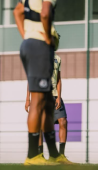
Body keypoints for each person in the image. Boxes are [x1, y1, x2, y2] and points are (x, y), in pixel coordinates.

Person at [13, 0, 67, 165]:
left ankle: (54, 155)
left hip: (29, 44)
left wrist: (27, 34)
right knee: (37, 102)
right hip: (38, 47)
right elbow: (45, 13)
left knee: (45, 102)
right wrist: (45, 37)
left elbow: (17, 12)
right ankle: (32, 155)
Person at [25, 34, 71, 163]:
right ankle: (38, 155)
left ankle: (60, 155)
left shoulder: (57, 58)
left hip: (55, 95)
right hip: (40, 95)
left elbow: (59, 79)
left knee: (63, 121)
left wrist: (58, 97)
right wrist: (28, 99)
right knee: (39, 125)